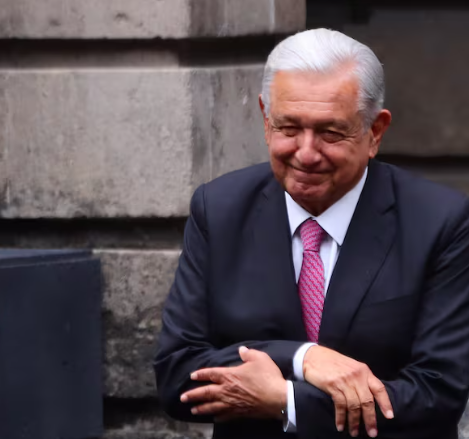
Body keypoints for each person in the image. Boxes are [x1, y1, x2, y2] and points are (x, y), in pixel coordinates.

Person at [154, 28, 469, 439]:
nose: (305, 152)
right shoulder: (220, 209)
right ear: (266, 120)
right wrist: (304, 359)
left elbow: (436, 395)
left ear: (375, 132)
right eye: (288, 128)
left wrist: (286, 400)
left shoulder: (438, 221)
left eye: (330, 132)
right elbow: (179, 375)